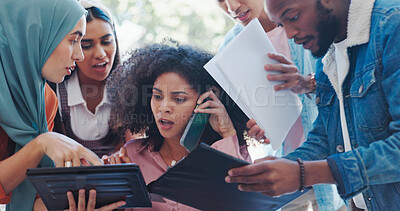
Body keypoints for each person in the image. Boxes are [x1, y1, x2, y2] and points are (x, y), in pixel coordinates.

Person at [226, 0, 400, 210]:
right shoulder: (328, 48)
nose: (289, 34)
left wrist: (303, 173)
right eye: (281, 25)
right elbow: (326, 135)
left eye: (292, 17)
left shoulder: (392, 24)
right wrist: (275, 170)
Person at [216, 0, 344, 210]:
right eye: (220, 0)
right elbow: (247, 118)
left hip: (333, 165)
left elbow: (347, 89)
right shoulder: (228, 49)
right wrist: (255, 129)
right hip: (284, 173)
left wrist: (307, 83)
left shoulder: (309, 21)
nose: (231, 6)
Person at [0, 0, 124, 210]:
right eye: (75, 41)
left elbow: (29, 197)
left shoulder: (46, 100)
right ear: (35, 36)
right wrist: (40, 144)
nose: (80, 55)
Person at [104, 42, 251, 210]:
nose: (164, 107)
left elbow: (243, 204)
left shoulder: (234, 151)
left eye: (179, 99)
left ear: (207, 100)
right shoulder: (131, 156)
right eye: (157, 96)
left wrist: (227, 131)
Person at [50, 0, 123, 158]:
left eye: (106, 42)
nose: (100, 54)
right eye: (87, 45)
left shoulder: (129, 88)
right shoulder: (53, 92)